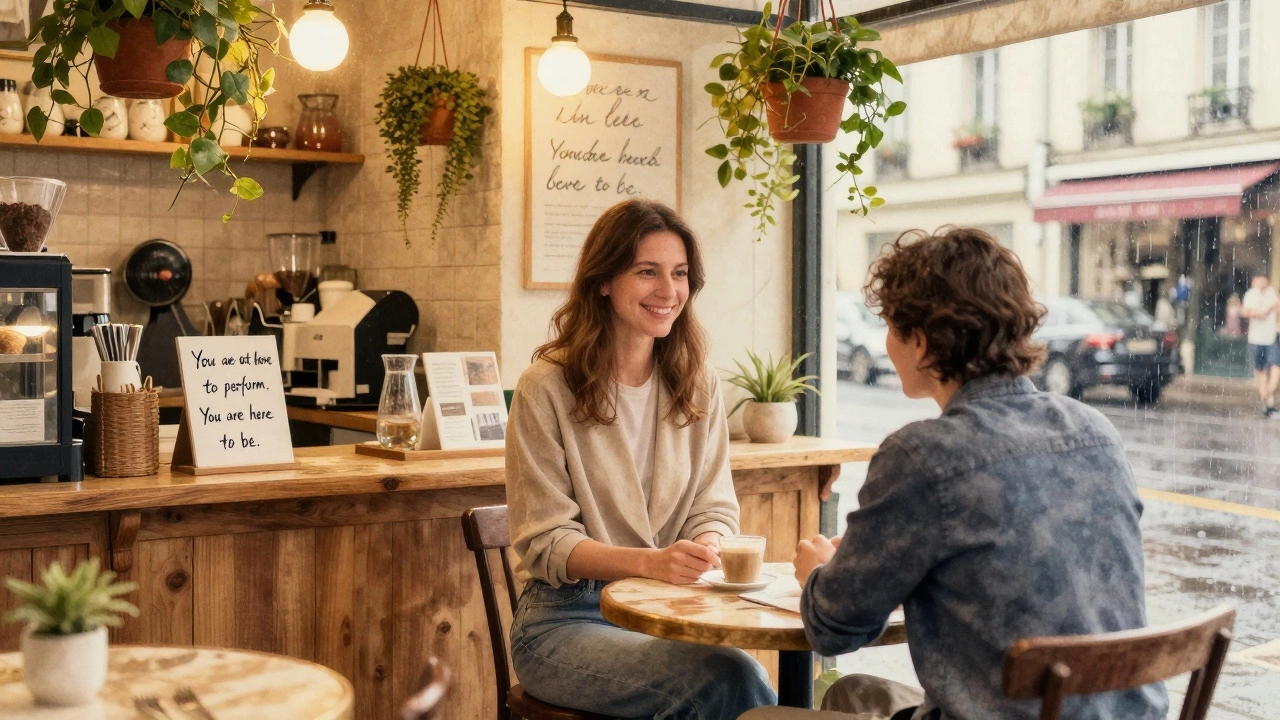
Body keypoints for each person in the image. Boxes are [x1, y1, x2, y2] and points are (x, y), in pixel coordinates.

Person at [743, 227, 1168, 720]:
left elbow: (835, 629)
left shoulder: (923, 457)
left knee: (759, 717)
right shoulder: (1096, 431)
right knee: (852, 692)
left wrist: (817, 572)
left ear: (920, 343)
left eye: (890, 325)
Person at [505, 199, 775, 718]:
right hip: (564, 621)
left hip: (668, 613)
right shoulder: (546, 387)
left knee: (741, 674)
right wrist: (652, 563)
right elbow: (545, 541)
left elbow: (713, 507)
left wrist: (705, 548)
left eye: (679, 274)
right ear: (603, 280)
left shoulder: (697, 383)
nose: (668, 291)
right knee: (723, 681)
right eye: (647, 272)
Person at [1240, 274, 1280, 417]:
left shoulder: (1271, 293)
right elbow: (1245, 312)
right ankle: (1268, 404)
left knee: (1276, 367)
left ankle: (1268, 394)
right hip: (1256, 338)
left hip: (1271, 337)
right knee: (1260, 370)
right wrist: (1259, 311)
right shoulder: (1251, 295)